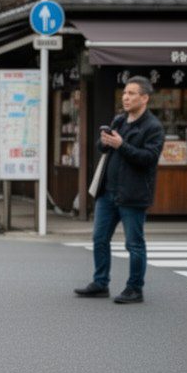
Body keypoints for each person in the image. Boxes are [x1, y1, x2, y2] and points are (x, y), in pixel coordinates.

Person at [75, 76, 165, 304]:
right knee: (99, 238)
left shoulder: (153, 127)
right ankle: (100, 283)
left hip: (133, 194)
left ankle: (135, 288)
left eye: (131, 93)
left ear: (144, 98)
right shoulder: (119, 120)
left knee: (134, 244)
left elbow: (148, 158)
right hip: (108, 192)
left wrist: (121, 145)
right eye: (125, 92)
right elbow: (102, 148)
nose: (126, 97)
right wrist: (105, 141)